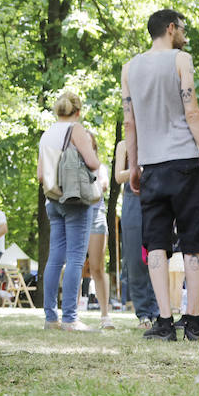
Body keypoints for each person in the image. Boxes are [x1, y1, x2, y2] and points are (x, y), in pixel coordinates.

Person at [121, 9, 199, 341]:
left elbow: (129, 122)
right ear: (170, 28)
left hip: (151, 167)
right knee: (194, 241)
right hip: (183, 161)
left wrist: (134, 165)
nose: (185, 35)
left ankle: (163, 322)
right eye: (182, 29)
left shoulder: (129, 68)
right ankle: (193, 321)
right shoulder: (181, 59)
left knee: (157, 243)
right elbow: (191, 109)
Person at [38, 91, 99, 332]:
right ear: (78, 111)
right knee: (75, 257)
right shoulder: (76, 129)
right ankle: (71, 318)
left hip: (52, 200)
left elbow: (40, 174)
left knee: (55, 258)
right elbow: (93, 162)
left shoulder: (47, 134)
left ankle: (50, 318)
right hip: (75, 199)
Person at [114, 140, 160, 328]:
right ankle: (143, 314)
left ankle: (159, 312)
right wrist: (137, 170)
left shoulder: (157, 137)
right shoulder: (124, 145)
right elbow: (118, 176)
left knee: (158, 254)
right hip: (133, 201)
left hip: (157, 198)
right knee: (134, 259)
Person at [85, 131, 114, 329]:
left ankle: (105, 315)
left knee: (97, 267)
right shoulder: (70, 164)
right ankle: (70, 315)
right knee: (74, 265)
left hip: (95, 216)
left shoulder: (99, 167)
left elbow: (104, 184)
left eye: (89, 143)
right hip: (75, 217)